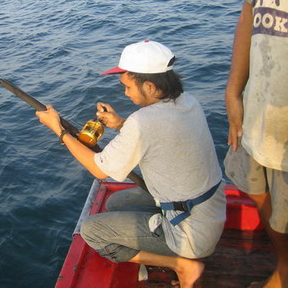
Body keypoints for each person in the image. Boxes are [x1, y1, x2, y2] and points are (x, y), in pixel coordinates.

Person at [36, 40, 226, 287]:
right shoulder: (187, 101)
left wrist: (59, 130)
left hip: (191, 235)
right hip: (210, 212)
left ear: (149, 85)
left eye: (127, 86)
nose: (125, 93)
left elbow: (99, 169)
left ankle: (183, 264)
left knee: (91, 230)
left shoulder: (142, 122)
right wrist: (119, 124)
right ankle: (170, 246)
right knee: (116, 202)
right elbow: (160, 133)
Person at [224, 0, 288, 287]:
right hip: (257, 110)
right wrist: (233, 90)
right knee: (255, 187)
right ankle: (283, 267)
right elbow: (250, 9)